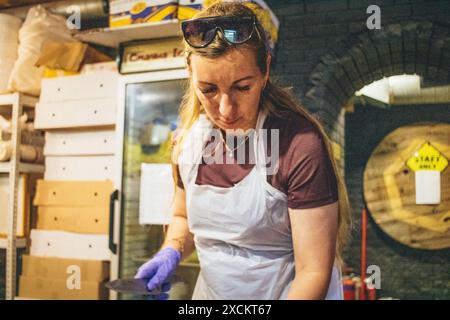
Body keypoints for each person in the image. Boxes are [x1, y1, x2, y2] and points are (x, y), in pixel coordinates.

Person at [135, 1, 351, 300]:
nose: (225, 109)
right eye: (208, 89)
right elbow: (183, 217)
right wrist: (171, 250)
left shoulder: (298, 145)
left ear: (265, 71)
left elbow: (313, 271)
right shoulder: (189, 141)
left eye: (242, 87)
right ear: (190, 74)